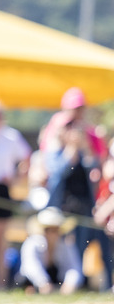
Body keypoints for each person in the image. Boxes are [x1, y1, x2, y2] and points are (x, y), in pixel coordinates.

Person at [45, 111, 112, 292]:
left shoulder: (84, 153)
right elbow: (59, 173)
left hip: (84, 209)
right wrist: (71, 149)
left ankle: (93, 285)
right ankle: (68, 283)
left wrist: (85, 147)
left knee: (91, 249)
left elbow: (95, 171)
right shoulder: (55, 152)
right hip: (63, 210)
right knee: (70, 252)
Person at [0, 99, 31, 288]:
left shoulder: (11, 136)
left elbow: (26, 157)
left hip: (0, 189)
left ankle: (0, 282)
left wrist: (16, 178)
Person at [15, 207, 83, 295]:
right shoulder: (32, 243)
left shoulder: (65, 245)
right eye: (50, 230)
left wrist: (70, 284)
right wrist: (43, 283)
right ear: (44, 231)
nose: (53, 234)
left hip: (54, 282)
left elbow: (73, 267)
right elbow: (30, 267)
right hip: (31, 281)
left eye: (56, 230)